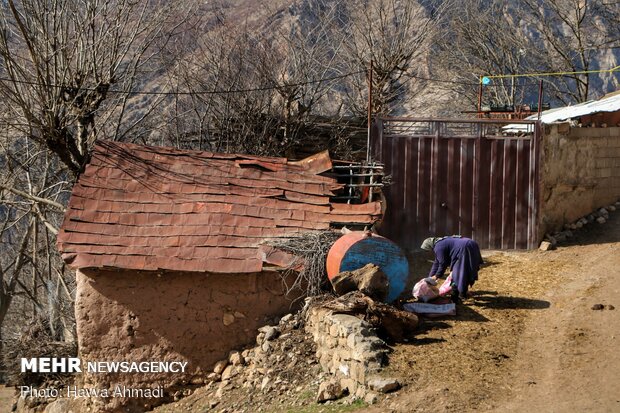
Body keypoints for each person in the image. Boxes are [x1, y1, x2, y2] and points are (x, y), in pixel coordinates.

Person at [420, 236, 483, 302]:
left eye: (428, 249)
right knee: (465, 272)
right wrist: (430, 277)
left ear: (430, 246)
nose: (430, 251)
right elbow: (436, 263)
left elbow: (443, 264)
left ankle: (456, 298)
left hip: (465, 249)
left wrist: (437, 276)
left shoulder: (438, 247)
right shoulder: (440, 242)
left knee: (457, 275)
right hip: (472, 244)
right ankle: (463, 294)